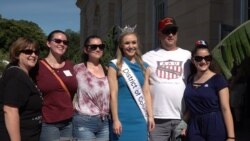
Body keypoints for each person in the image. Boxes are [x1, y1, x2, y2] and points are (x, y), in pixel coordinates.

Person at [142, 17, 191, 141]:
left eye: (173, 31)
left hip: (182, 118)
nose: (170, 34)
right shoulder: (147, 57)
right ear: (159, 34)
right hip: (157, 119)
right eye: (166, 31)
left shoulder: (188, 56)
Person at [108, 25, 155, 141]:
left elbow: (146, 93)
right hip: (122, 117)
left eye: (134, 43)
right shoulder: (115, 66)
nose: (131, 46)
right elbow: (113, 94)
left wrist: (150, 116)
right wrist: (115, 119)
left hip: (140, 118)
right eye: (127, 43)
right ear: (121, 46)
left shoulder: (145, 67)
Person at [183, 40, 235, 141]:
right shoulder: (190, 79)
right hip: (194, 126)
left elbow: (225, 109)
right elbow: (191, 107)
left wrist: (231, 137)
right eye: (199, 58)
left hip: (214, 125)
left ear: (211, 59)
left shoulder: (218, 79)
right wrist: (183, 124)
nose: (203, 61)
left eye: (207, 58)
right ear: (193, 60)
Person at [35, 30, 77, 141]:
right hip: (48, 122)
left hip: (68, 121)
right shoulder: (38, 66)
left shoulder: (69, 65)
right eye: (57, 41)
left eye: (65, 42)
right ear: (48, 43)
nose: (62, 44)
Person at [0, 37, 42, 141]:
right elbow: (10, 110)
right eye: (28, 51)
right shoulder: (16, 75)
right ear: (17, 54)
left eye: (36, 52)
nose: (33, 55)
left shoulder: (26, 75)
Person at [73, 35, 110, 141]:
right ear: (86, 49)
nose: (98, 49)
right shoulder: (77, 69)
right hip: (84, 121)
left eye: (101, 46)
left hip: (104, 122)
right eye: (93, 47)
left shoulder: (107, 70)